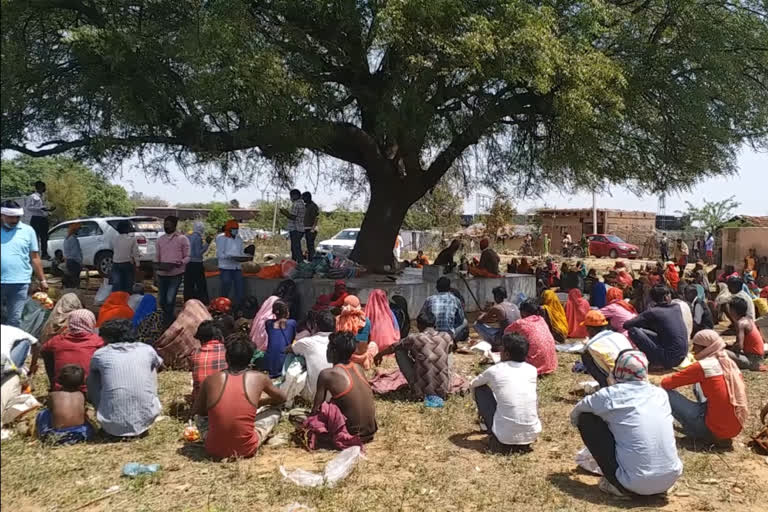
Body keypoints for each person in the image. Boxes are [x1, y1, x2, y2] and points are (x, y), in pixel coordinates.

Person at [571, 350, 682, 497]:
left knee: (587, 418)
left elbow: (576, 414)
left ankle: (617, 486)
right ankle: (655, 485)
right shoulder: (660, 393)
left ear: (618, 369)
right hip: (670, 479)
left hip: (633, 483)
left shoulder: (609, 395)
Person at [193, 334, 286, 459]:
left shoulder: (211, 380)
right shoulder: (259, 378)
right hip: (246, 449)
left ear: (227, 357)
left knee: (200, 418)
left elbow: (198, 411)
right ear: (250, 358)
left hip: (213, 448)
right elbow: (282, 398)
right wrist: (261, 403)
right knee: (275, 410)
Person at [661, 330, 748, 443]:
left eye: (695, 347)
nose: (693, 350)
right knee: (699, 385)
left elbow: (666, 383)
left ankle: (700, 429)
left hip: (712, 430)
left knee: (663, 392)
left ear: (705, 347)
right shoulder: (729, 362)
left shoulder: (703, 366)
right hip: (733, 428)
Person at [87, 319, 163, 438]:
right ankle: (145, 405)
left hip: (109, 422)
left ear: (107, 338)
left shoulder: (100, 354)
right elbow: (160, 365)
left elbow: (92, 382)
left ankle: (105, 410)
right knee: (152, 366)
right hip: (146, 419)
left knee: (94, 375)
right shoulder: (146, 349)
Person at [470, 333, 541, 453]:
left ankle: (487, 427)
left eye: (501, 349)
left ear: (507, 354)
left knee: (480, 389)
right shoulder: (532, 370)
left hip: (503, 437)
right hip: (531, 435)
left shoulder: (494, 371)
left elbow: (473, 384)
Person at [313, 331, 378, 442]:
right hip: (370, 433)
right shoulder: (358, 368)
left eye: (328, 348)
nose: (327, 351)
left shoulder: (327, 374)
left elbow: (315, 411)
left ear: (333, 351)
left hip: (349, 435)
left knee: (297, 416)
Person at [374, 310, 454, 399]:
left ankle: (417, 386)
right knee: (448, 350)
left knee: (399, 351)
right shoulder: (446, 336)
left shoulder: (415, 338)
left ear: (418, 325)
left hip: (420, 391)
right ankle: (446, 382)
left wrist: (379, 355)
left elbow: (394, 347)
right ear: (435, 324)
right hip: (443, 390)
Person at [1, 200, 48, 327]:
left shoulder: (28, 231)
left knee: (15, 319)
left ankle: (11, 346)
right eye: (11, 217)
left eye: (17, 217)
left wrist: (42, 280)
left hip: (19, 283)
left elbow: (35, 258)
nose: (14, 220)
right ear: (2, 215)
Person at [623, 286, 688, 369]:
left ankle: (657, 363)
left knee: (633, 331)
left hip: (669, 359)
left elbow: (627, 325)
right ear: (666, 297)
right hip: (682, 356)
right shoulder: (676, 307)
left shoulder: (653, 312)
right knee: (648, 331)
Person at [41, 309, 104, 391]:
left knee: (48, 353)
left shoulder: (58, 339)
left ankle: (55, 383)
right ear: (91, 322)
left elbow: (43, 350)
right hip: (89, 389)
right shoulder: (97, 341)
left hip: (62, 387)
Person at [35, 364, 95, 445]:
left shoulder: (53, 395)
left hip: (57, 435)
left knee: (44, 413)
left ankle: (42, 434)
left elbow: (50, 408)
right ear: (82, 382)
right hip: (80, 433)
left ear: (59, 380)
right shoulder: (81, 396)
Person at [288, 311, 335, 400]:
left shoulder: (308, 342)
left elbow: (289, 349)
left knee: (295, 357)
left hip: (313, 395)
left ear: (316, 325)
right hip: (336, 395)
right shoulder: (338, 342)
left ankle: (285, 385)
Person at [580, 311, 634, 387]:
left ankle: (606, 387)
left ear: (590, 330)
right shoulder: (619, 335)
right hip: (636, 375)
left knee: (585, 355)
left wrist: (586, 345)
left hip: (619, 382)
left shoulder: (591, 346)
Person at [154, 299, 212, 370]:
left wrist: (159, 345)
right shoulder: (207, 317)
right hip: (208, 357)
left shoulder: (185, 320)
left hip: (191, 359)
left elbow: (170, 335)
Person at [504, 301, 558, 376]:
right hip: (551, 365)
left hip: (534, 367)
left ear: (523, 312)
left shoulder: (520, 323)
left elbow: (506, 332)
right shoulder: (541, 319)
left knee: (512, 339)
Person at [155, 216, 190, 325]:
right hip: (161, 273)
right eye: (165, 224)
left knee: (170, 299)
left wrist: (180, 263)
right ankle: (166, 319)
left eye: (169, 224)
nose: (166, 226)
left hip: (175, 273)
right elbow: (157, 257)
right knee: (161, 300)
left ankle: (168, 322)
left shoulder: (182, 239)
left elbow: (188, 256)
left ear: (174, 225)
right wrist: (156, 269)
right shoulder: (160, 239)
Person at [190, 320, 227, 403]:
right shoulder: (228, 351)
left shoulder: (195, 354)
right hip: (226, 403)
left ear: (201, 340)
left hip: (202, 406)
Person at [420, 277, 467, 342]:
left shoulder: (429, 299)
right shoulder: (455, 300)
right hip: (448, 335)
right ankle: (452, 339)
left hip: (432, 333)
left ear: (437, 287)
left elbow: (421, 317)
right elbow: (460, 320)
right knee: (465, 321)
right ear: (449, 288)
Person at [726, 296, 766, 371]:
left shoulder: (740, 323)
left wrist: (730, 349)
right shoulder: (749, 319)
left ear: (733, 310)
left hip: (752, 361)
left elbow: (739, 346)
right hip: (758, 358)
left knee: (721, 352)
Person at [336, 295, 376, 369]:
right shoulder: (366, 321)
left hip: (345, 358)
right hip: (361, 357)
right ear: (358, 305)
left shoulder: (338, 320)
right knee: (373, 345)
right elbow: (368, 339)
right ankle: (366, 364)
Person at [216, 220, 246, 308]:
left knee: (239, 288)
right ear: (228, 229)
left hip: (237, 267)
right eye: (233, 229)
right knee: (226, 284)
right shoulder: (221, 238)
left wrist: (245, 256)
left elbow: (240, 252)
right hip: (225, 267)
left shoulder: (239, 238)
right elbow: (220, 254)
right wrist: (231, 257)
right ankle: (222, 306)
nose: (235, 231)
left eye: (237, 229)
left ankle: (238, 307)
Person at [264, 301, 297, 378]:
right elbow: (291, 339)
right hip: (282, 362)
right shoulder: (292, 323)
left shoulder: (268, 323)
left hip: (269, 363)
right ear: (286, 312)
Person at [25, 181, 55, 259]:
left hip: (43, 218)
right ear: (40, 187)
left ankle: (44, 254)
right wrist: (40, 208)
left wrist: (49, 210)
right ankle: (35, 255)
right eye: (44, 187)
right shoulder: (33, 196)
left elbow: (44, 208)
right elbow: (28, 207)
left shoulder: (43, 197)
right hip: (36, 219)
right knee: (35, 237)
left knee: (44, 237)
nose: (45, 189)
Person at [185, 221, 211, 303]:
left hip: (188, 263)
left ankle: (188, 301)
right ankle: (202, 301)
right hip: (197, 263)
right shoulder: (198, 238)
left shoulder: (188, 236)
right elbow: (198, 253)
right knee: (200, 284)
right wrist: (207, 244)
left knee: (189, 284)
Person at [111, 220, 140, 293]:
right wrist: (137, 264)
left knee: (117, 284)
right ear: (128, 229)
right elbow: (135, 253)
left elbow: (112, 249)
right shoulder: (132, 239)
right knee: (128, 284)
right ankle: (127, 300)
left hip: (116, 263)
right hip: (127, 263)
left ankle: (116, 300)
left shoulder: (114, 239)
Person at [280, 189, 305, 263]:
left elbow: (293, 217)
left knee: (296, 248)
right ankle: (294, 263)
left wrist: (285, 213)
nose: (290, 198)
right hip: (300, 228)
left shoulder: (296, 204)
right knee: (295, 247)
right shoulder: (302, 204)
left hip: (295, 228)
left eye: (291, 196)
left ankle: (300, 263)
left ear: (295, 195)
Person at [62, 222, 82, 289]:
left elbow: (65, 252)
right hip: (74, 262)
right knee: (75, 280)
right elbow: (75, 253)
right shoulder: (73, 239)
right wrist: (80, 262)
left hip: (69, 261)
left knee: (71, 280)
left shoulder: (66, 239)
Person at [302, 192, 320, 260]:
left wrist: (313, 228)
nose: (303, 199)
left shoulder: (313, 206)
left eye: (304, 198)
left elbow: (316, 218)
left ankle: (312, 260)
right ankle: (310, 259)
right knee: (308, 246)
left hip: (311, 229)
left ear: (308, 197)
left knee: (311, 246)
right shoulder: (306, 206)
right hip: (306, 228)